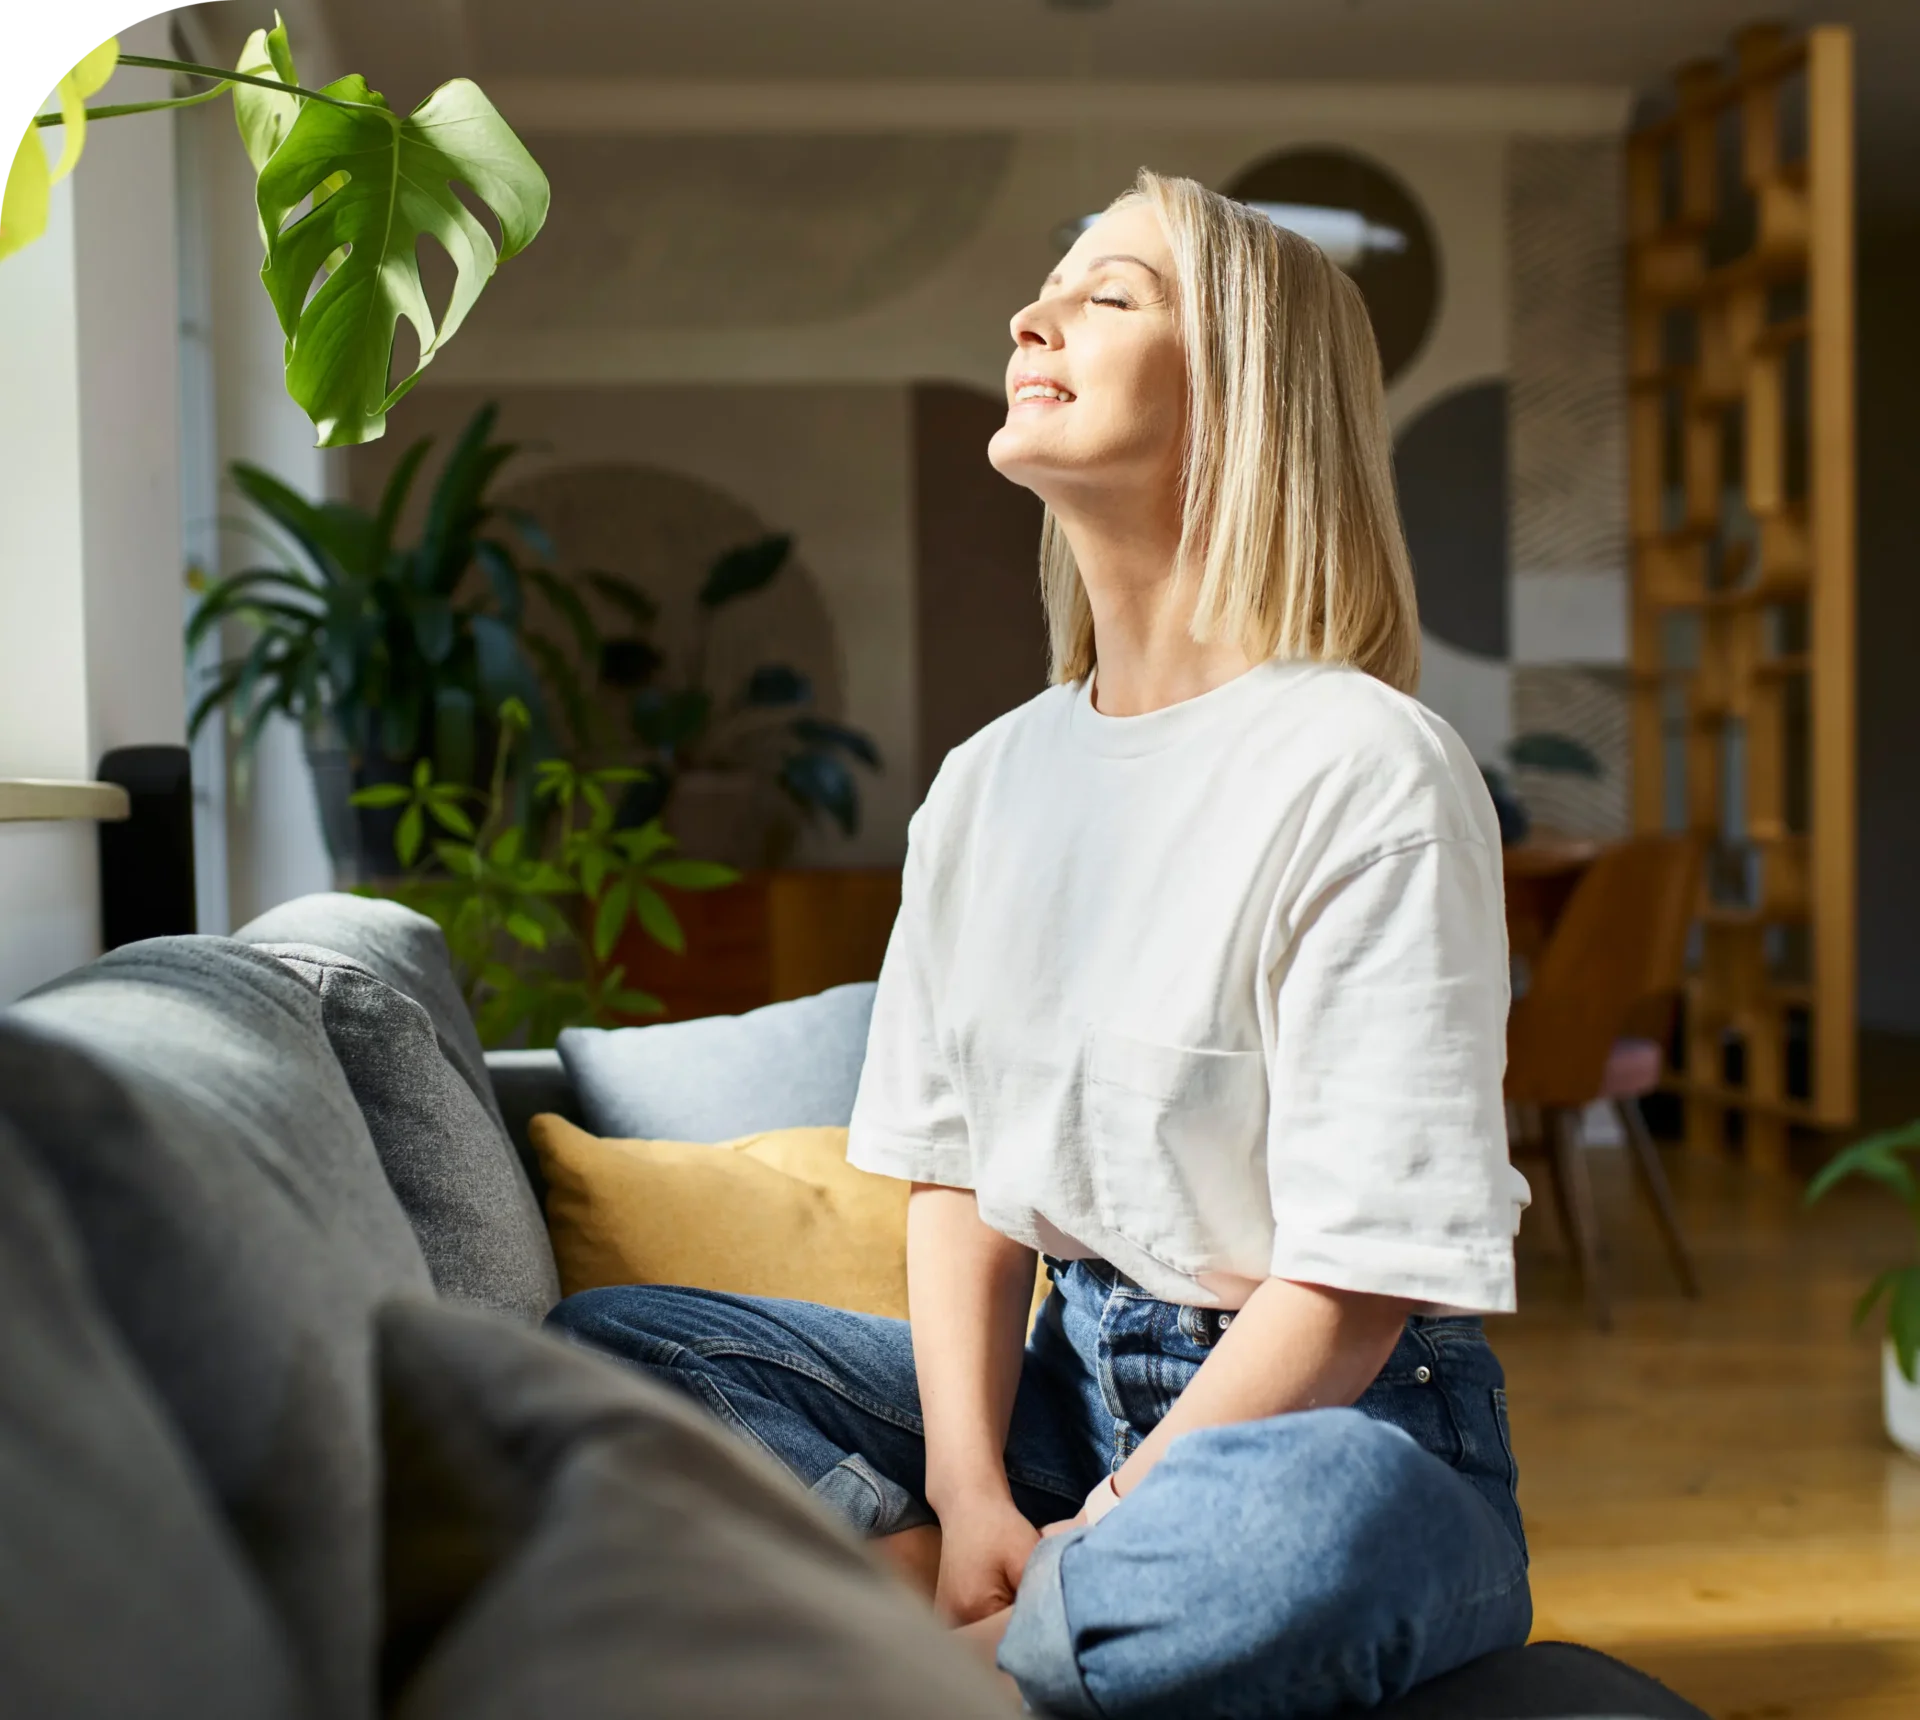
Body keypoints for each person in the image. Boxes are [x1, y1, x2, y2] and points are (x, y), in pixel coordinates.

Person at [547, 167, 1534, 1719]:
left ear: (1245, 398)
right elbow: (960, 1180)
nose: (1030, 317)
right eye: (1047, 285)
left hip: (1335, 1418)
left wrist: (1125, 1521)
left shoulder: (1371, 769)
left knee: (1320, 1525)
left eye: (1109, 293)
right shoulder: (990, 781)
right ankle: (984, 1626)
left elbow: (1354, 1285)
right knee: (607, 1345)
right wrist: (972, 1498)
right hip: (1057, 1394)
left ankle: (919, 1666)